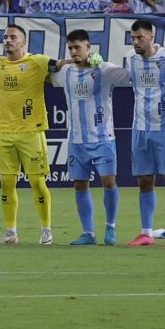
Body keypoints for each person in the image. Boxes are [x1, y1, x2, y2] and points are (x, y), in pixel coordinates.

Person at [54, 28, 129, 246]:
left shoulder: (103, 69)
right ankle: (88, 232)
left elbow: (128, 76)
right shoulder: (65, 72)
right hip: (76, 139)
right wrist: (63, 61)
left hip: (103, 136)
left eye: (78, 47)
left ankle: (111, 227)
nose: (74, 51)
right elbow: (45, 71)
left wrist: (104, 63)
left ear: (89, 47)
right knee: (79, 184)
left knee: (109, 181)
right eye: (71, 48)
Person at [123, 18, 165, 245]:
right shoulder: (132, 61)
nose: (135, 42)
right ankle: (146, 233)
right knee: (144, 180)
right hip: (140, 129)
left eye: (140, 37)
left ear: (152, 36)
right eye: (133, 38)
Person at [0, 22, 55, 245]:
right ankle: (10, 232)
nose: (8, 40)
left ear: (23, 41)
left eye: (13, 37)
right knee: (6, 184)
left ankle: (46, 229)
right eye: (6, 37)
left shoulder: (37, 61)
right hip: (4, 132)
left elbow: (60, 65)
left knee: (37, 182)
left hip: (31, 131)